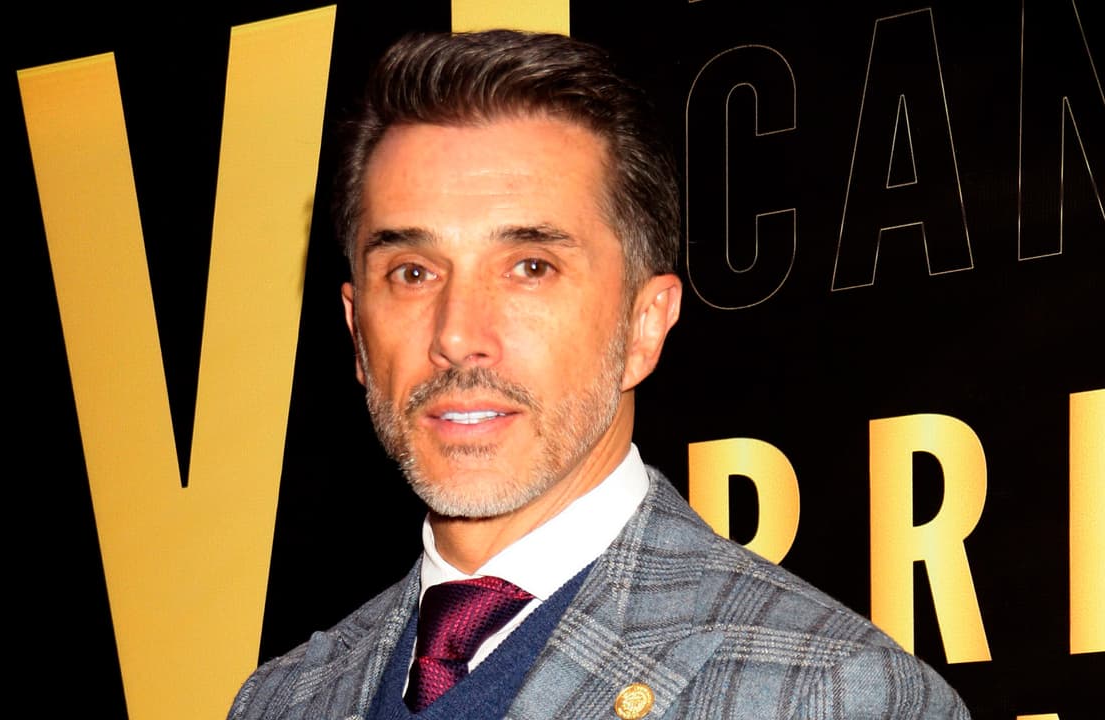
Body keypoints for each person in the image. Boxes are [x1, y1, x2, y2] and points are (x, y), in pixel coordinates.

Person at [229, 30, 969, 720]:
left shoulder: (835, 694)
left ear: (645, 324)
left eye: (530, 268)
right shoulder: (281, 700)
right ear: (357, 331)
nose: (455, 336)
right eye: (413, 272)